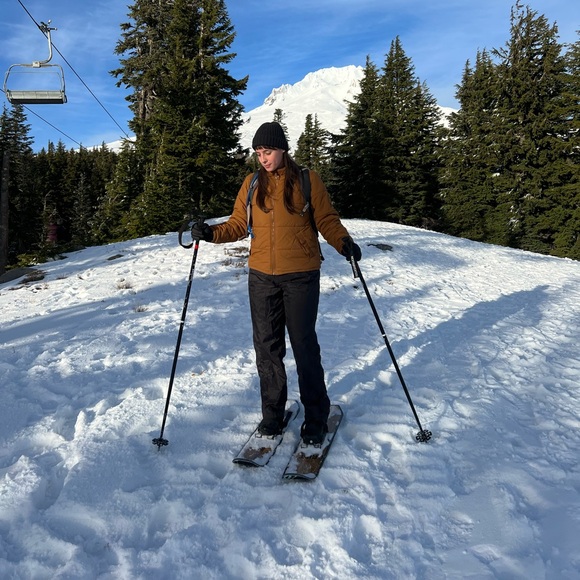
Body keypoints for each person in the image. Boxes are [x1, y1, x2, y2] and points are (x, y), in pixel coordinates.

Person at [191, 121, 361, 445]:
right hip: (261, 277)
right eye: (258, 152)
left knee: (303, 346)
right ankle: (272, 415)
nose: (263, 158)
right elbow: (238, 224)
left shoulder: (307, 180)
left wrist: (343, 243)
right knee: (266, 348)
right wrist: (211, 233)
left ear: (282, 149)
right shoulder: (252, 183)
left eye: (267, 151)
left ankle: (316, 417)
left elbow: (326, 219)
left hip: (301, 275)